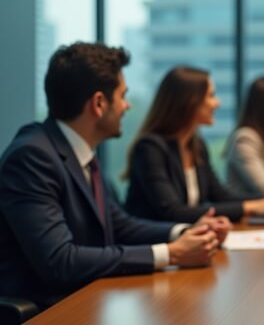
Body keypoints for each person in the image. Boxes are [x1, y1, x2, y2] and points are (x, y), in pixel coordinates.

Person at [0, 43, 229, 310]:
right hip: (51, 311)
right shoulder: (32, 156)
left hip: (91, 299)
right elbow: (59, 261)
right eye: (123, 96)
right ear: (99, 103)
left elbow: (120, 225)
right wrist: (171, 253)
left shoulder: (79, 152)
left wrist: (186, 231)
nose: (127, 106)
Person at [124, 67, 264, 224]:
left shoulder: (196, 146)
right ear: (189, 102)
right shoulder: (150, 148)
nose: (217, 103)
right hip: (158, 248)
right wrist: (250, 207)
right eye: (211, 96)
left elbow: (219, 195)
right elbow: (173, 211)